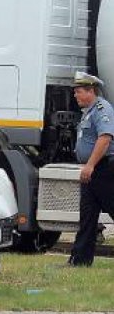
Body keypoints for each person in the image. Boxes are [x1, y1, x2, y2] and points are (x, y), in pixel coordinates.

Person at [69, 72, 114, 267]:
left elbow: (105, 138)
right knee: (87, 216)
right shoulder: (88, 111)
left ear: (91, 91)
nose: (75, 95)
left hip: (103, 170)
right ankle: (79, 261)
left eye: (78, 92)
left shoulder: (102, 109)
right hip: (92, 171)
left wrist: (90, 164)